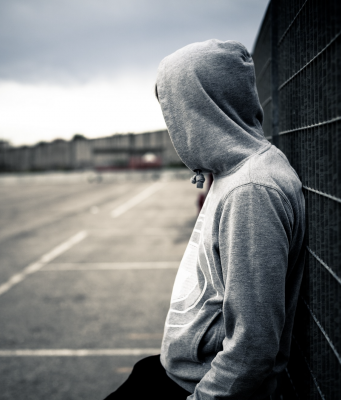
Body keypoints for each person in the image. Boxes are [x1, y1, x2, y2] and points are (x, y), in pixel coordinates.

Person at [104, 39, 305, 400]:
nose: (172, 125)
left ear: (203, 110)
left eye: (176, 111)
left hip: (198, 387)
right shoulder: (233, 170)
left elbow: (252, 348)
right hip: (177, 372)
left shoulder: (252, 190)